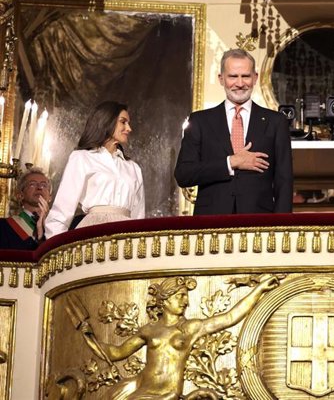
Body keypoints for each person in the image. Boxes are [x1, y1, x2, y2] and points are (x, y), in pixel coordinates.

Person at [77, 274, 278, 398]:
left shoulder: (190, 328)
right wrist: (89, 337)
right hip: (141, 391)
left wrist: (258, 290)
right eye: (180, 296)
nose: (186, 301)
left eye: (186, 296)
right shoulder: (149, 330)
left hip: (168, 394)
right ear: (164, 301)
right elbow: (116, 352)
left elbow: (230, 317)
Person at [175, 49, 293, 214]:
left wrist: (282, 228)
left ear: (255, 78)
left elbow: (284, 182)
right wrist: (231, 162)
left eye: (245, 76)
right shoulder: (200, 121)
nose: (239, 83)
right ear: (221, 79)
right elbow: (184, 174)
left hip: (259, 224)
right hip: (212, 223)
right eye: (233, 76)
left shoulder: (276, 121)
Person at [45, 101, 145, 238]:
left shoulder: (133, 168)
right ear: (106, 122)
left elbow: (139, 215)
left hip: (126, 236)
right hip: (93, 234)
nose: (129, 128)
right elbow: (61, 211)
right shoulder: (82, 158)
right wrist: (54, 249)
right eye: (123, 122)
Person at [0, 168, 51, 249]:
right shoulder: (4, 227)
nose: (39, 188)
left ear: (50, 197)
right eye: (32, 184)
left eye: (44, 185)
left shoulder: (59, 228)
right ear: (20, 195)